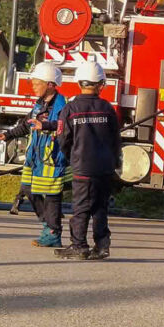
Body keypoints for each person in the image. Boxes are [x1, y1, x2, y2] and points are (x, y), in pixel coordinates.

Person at [0, 62, 68, 246]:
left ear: (51, 84)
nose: (34, 86)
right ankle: (48, 224)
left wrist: (45, 125)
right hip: (35, 158)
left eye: (38, 83)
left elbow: (64, 127)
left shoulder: (62, 106)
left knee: (52, 196)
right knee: (28, 189)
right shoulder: (38, 105)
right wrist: (8, 135)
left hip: (51, 158)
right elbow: (27, 125)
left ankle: (53, 232)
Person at [56, 60, 121, 260]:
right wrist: (113, 162)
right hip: (105, 168)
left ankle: (79, 245)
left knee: (81, 207)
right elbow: (116, 139)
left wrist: (72, 156)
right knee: (100, 207)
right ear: (100, 83)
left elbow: (63, 139)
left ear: (79, 83)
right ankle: (102, 246)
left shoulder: (70, 109)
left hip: (83, 166)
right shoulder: (108, 108)